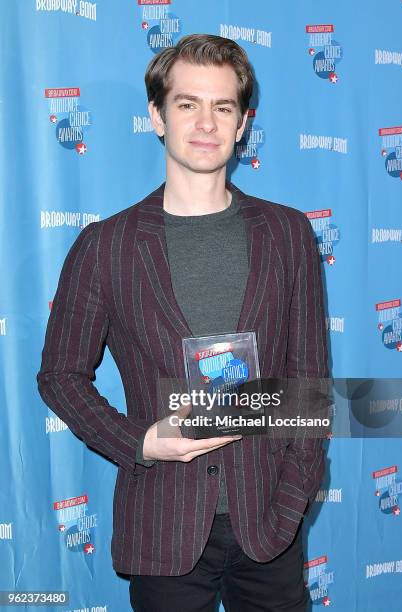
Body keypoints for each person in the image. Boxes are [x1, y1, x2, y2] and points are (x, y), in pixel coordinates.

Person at [37, 34, 329, 611]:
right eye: (187, 104)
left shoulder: (289, 234)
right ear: (157, 116)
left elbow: (310, 384)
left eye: (223, 107)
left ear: (243, 123)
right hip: (163, 527)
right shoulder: (105, 246)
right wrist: (140, 441)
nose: (205, 123)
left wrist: (291, 501)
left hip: (270, 523)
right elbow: (60, 375)